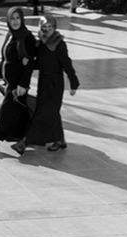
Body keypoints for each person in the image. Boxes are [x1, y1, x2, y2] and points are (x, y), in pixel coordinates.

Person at [0, 7, 36, 154]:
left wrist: (23, 84)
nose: (15, 21)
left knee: (6, 111)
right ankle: (23, 140)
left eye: (18, 18)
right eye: (12, 18)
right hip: (10, 81)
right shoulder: (10, 34)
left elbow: (30, 63)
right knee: (20, 112)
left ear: (22, 19)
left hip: (17, 84)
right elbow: (5, 56)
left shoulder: (27, 37)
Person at [25, 14, 79, 151]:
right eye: (44, 27)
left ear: (54, 28)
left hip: (55, 83)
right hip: (43, 81)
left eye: (50, 27)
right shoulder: (41, 43)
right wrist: (25, 64)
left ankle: (27, 140)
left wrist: (73, 83)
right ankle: (60, 140)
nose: (47, 29)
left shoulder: (59, 44)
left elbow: (67, 64)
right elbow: (40, 62)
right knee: (49, 111)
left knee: (48, 111)